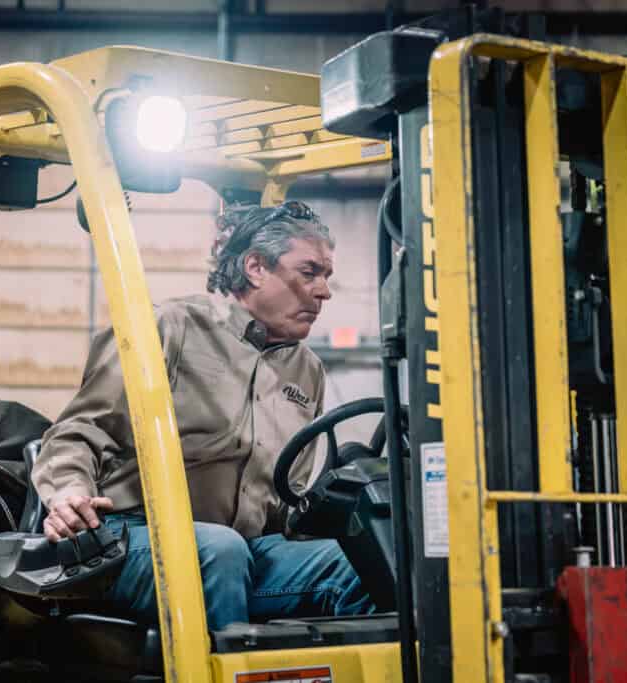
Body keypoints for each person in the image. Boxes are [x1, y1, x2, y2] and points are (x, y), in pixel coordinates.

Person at [32, 200, 374, 630]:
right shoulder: (170, 327)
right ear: (255, 267)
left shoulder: (306, 370)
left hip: (245, 549)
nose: (323, 291)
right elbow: (79, 431)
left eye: (326, 276)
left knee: (367, 558)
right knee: (218, 549)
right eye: (309, 273)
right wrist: (66, 493)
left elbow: (291, 494)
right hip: (133, 539)